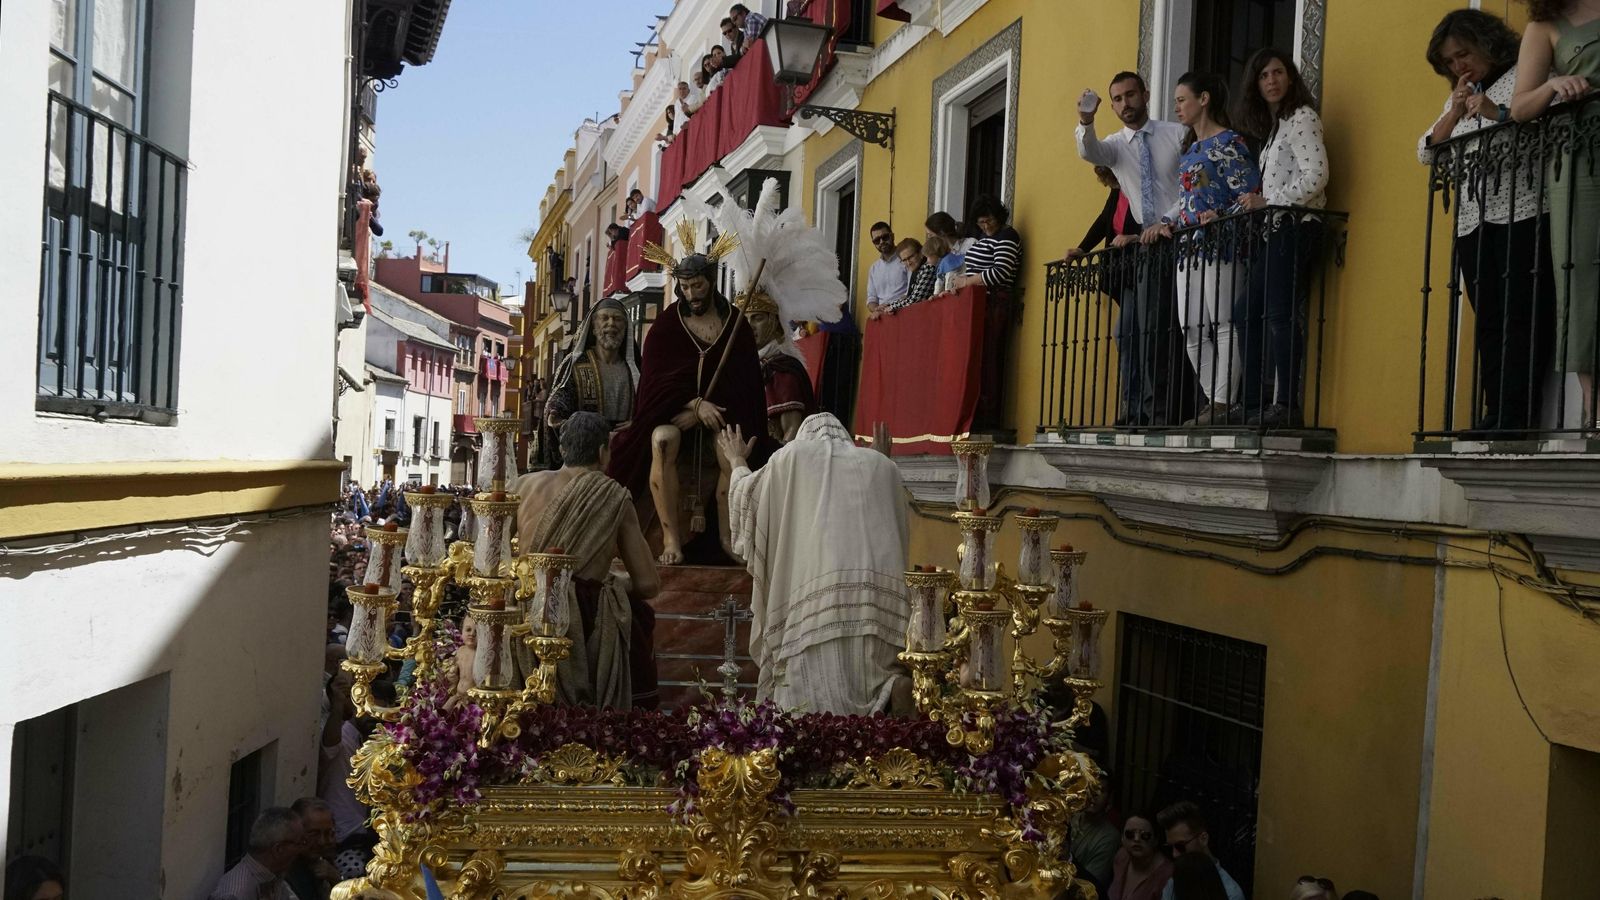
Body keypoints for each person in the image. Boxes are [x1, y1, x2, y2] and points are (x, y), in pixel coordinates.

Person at [720, 415, 912, 714]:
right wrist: (878, 459)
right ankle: (886, 692)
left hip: (814, 609)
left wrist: (735, 461)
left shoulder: (792, 457)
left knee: (807, 697)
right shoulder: (881, 467)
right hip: (877, 608)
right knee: (874, 676)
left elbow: (747, 498)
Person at [1418, 12, 1550, 434]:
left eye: (1464, 53)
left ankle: (1516, 413)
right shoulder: (1459, 95)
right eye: (1450, 61)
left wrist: (1496, 112)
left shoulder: (1522, 75)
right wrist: (1454, 114)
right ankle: (1495, 412)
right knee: (1489, 318)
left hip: (1523, 212)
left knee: (1521, 315)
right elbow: (1426, 152)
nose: (1460, 66)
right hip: (1473, 222)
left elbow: (1547, 128)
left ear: (1487, 43)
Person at [606, 244, 769, 567]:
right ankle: (671, 538)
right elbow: (654, 386)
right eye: (684, 287)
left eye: (697, 286)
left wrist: (710, 412)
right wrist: (693, 406)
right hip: (674, 417)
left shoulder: (734, 325)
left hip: (722, 419)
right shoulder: (667, 326)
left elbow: (745, 388)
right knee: (662, 440)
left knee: (732, 453)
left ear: (710, 281)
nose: (691, 294)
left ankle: (727, 536)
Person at [511, 412, 662, 708]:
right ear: (604, 452)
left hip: (523, 613)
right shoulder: (614, 497)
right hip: (579, 623)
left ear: (562, 450)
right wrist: (609, 582)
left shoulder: (523, 485)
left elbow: (492, 563)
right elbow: (648, 584)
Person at [1150, 71, 1262, 426]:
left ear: (1204, 99)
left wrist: (1222, 216)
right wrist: (1168, 222)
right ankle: (1217, 398)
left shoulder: (1230, 142)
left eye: (1182, 99)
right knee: (1192, 328)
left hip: (1222, 243)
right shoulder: (1192, 150)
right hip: (1189, 247)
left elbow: (1249, 194)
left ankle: (1223, 402)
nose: (1177, 107)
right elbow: (1188, 198)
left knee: (1224, 322)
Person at [1077, 71, 1189, 426]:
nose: (1126, 104)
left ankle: (1169, 410)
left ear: (1145, 93)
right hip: (1148, 247)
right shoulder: (1114, 145)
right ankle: (1143, 410)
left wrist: (1167, 220)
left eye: (1131, 95)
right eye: (1118, 99)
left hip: (1183, 234)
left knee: (1177, 327)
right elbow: (1088, 151)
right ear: (1112, 105)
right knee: (1138, 332)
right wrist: (1085, 120)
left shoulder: (1177, 133)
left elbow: (1191, 186)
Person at [1515, 0, 1600, 430]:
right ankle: (1595, 406)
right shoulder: (1544, 26)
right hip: (1580, 158)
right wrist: (1555, 86)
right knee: (1582, 272)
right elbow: (1520, 107)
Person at [1236, 47, 1331, 428]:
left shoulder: (1302, 118)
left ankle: (1286, 403)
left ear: (1289, 78)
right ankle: (1255, 401)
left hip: (1297, 225)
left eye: (1277, 72)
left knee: (1279, 313)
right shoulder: (1277, 127)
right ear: (1256, 86)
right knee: (1247, 312)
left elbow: (1317, 175)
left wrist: (1268, 201)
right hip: (1276, 228)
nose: (1271, 81)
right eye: (1263, 76)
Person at [953, 194, 1024, 428]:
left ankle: (989, 415)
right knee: (976, 358)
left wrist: (968, 282)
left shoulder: (1008, 236)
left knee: (990, 357)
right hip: (976, 303)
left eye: (989, 220)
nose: (986, 226)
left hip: (995, 303)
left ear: (999, 216)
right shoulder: (983, 238)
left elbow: (1000, 272)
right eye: (982, 222)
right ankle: (975, 412)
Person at [546, 297, 640, 432]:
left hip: (626, 445)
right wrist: (556, 411)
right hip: (586, 445)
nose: (611, 323)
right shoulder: (575, 364)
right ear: (594, 328)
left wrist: (638, 423)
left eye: (618, 319)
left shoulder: (636, 369)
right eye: (604, 318)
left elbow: (649, 406)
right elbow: (562, 396)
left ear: (625, 328)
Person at [740, 290, 818, 442]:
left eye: (757, 318)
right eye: (745, 319)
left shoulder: (782, 371)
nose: (750, 326)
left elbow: (791, 432)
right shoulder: (743, 364)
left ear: (773, 322)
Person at [208, 807, 304, 900]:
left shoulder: (272, 876)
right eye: (300, 843)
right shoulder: (234, 894)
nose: (301, 848)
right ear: (278, 849)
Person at [1157, 801, 1245, 900]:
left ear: (1203, 839)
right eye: (1170, 847)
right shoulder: (1173, 883)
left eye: (1180, 846)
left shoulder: (1230, 894)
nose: (1174, 854)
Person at [1107, 813, 1173, 900]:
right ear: (1122, 838)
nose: (1137, 839)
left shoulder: (1167, 875)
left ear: (1155, 840)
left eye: (1145, 835)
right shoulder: (1122, 856)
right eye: (1130, 834)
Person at [1070, 785, 1121, 896]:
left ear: (1109, 797)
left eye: (1101, 790)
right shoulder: (1069, 817)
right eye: (1089, 787)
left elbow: (1091, 884)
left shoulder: (1109, 837)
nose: (1094, 794)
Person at [285, 798, 340, 900]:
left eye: (328, 833)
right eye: (314, 834)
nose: (322, 842)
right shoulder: (282, 873)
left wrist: (336, 880)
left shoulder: (325, 865)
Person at [866, 221, 910, 319]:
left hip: (904, 314)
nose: (881, 242)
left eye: (885, 237)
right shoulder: (874, 268)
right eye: (877, 240)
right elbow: (871, 299)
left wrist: (892, 306)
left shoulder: (906, 259)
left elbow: (911, 291)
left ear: (892, 236)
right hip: (883, 318)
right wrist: (877, 309)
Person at [897, 237, 937, 305]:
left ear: (921, 253)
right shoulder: (915, 270)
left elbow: (915, 300)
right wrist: (886, 306)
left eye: (911, 257)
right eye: (904, 260)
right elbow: (908, 297)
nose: (908, 263)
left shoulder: (928, 267)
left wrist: (891, 307)